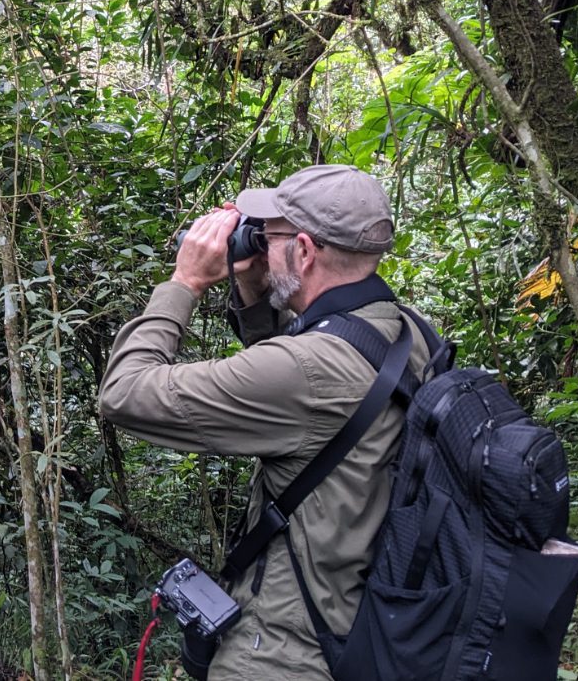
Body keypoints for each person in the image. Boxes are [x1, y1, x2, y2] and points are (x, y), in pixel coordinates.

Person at [98, 164, 432, 679]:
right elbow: (300, 389)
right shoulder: (406, 332)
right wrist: (258, 285)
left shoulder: (305, 372)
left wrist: (183, 283)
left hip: (283, 653)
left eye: (269, 235)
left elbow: (123, 393)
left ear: (303, 250)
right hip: (362, 632)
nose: (256, 242)